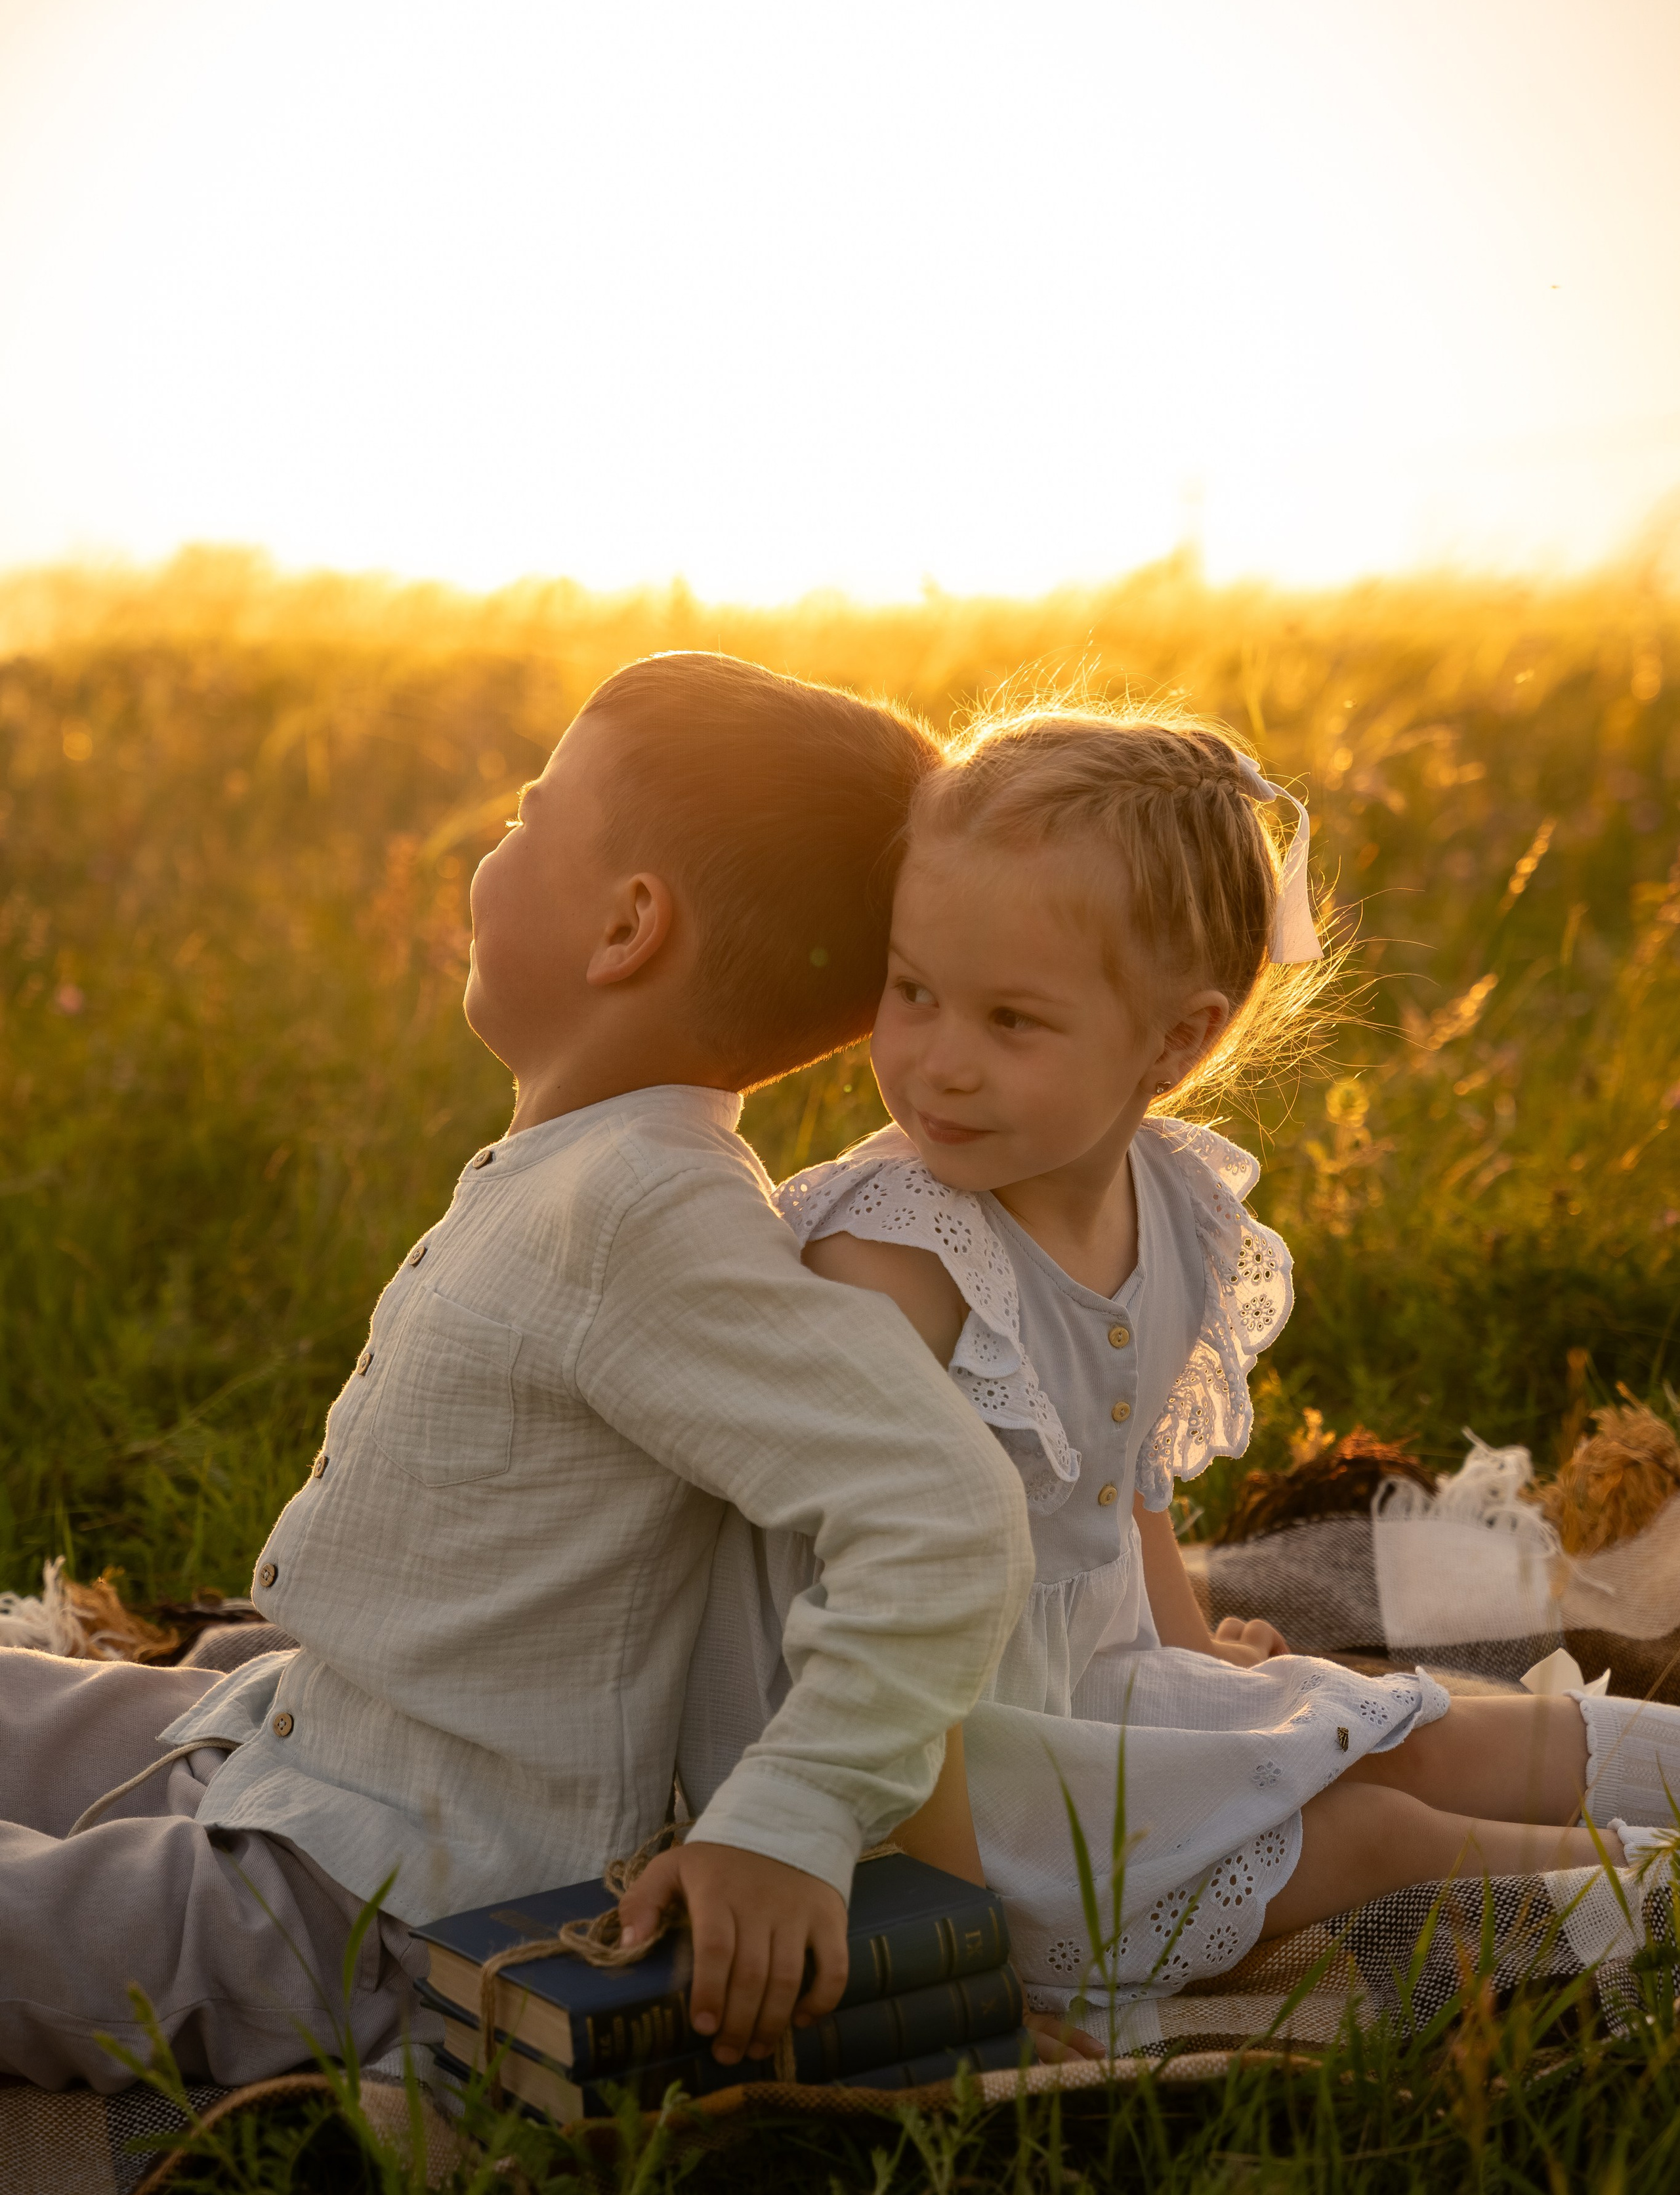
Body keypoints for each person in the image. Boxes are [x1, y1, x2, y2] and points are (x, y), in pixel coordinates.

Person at [0, 653, 1036, 2092]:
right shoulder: (590, 1168)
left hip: (364, 1903)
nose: (486, 852)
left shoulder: (648, 1212)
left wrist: (789, 1815)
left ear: (626, 925)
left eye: (523, 818)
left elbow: (947, 1512)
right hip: (308, 1741)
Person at [679, 697, 1680, 2032]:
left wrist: (1192, 1649)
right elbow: (852, 1590)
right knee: (1371, 1829)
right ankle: (1652, 1901)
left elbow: (1123, 1472)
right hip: (920, 1770)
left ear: (1175, 1040)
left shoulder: (1178, 1208)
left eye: (1010, 1020)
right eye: (911, 992)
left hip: (1088, 1686)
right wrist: (945, 1903)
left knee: (1419, 1728)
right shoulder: (894, 1259)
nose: (937, 1064)